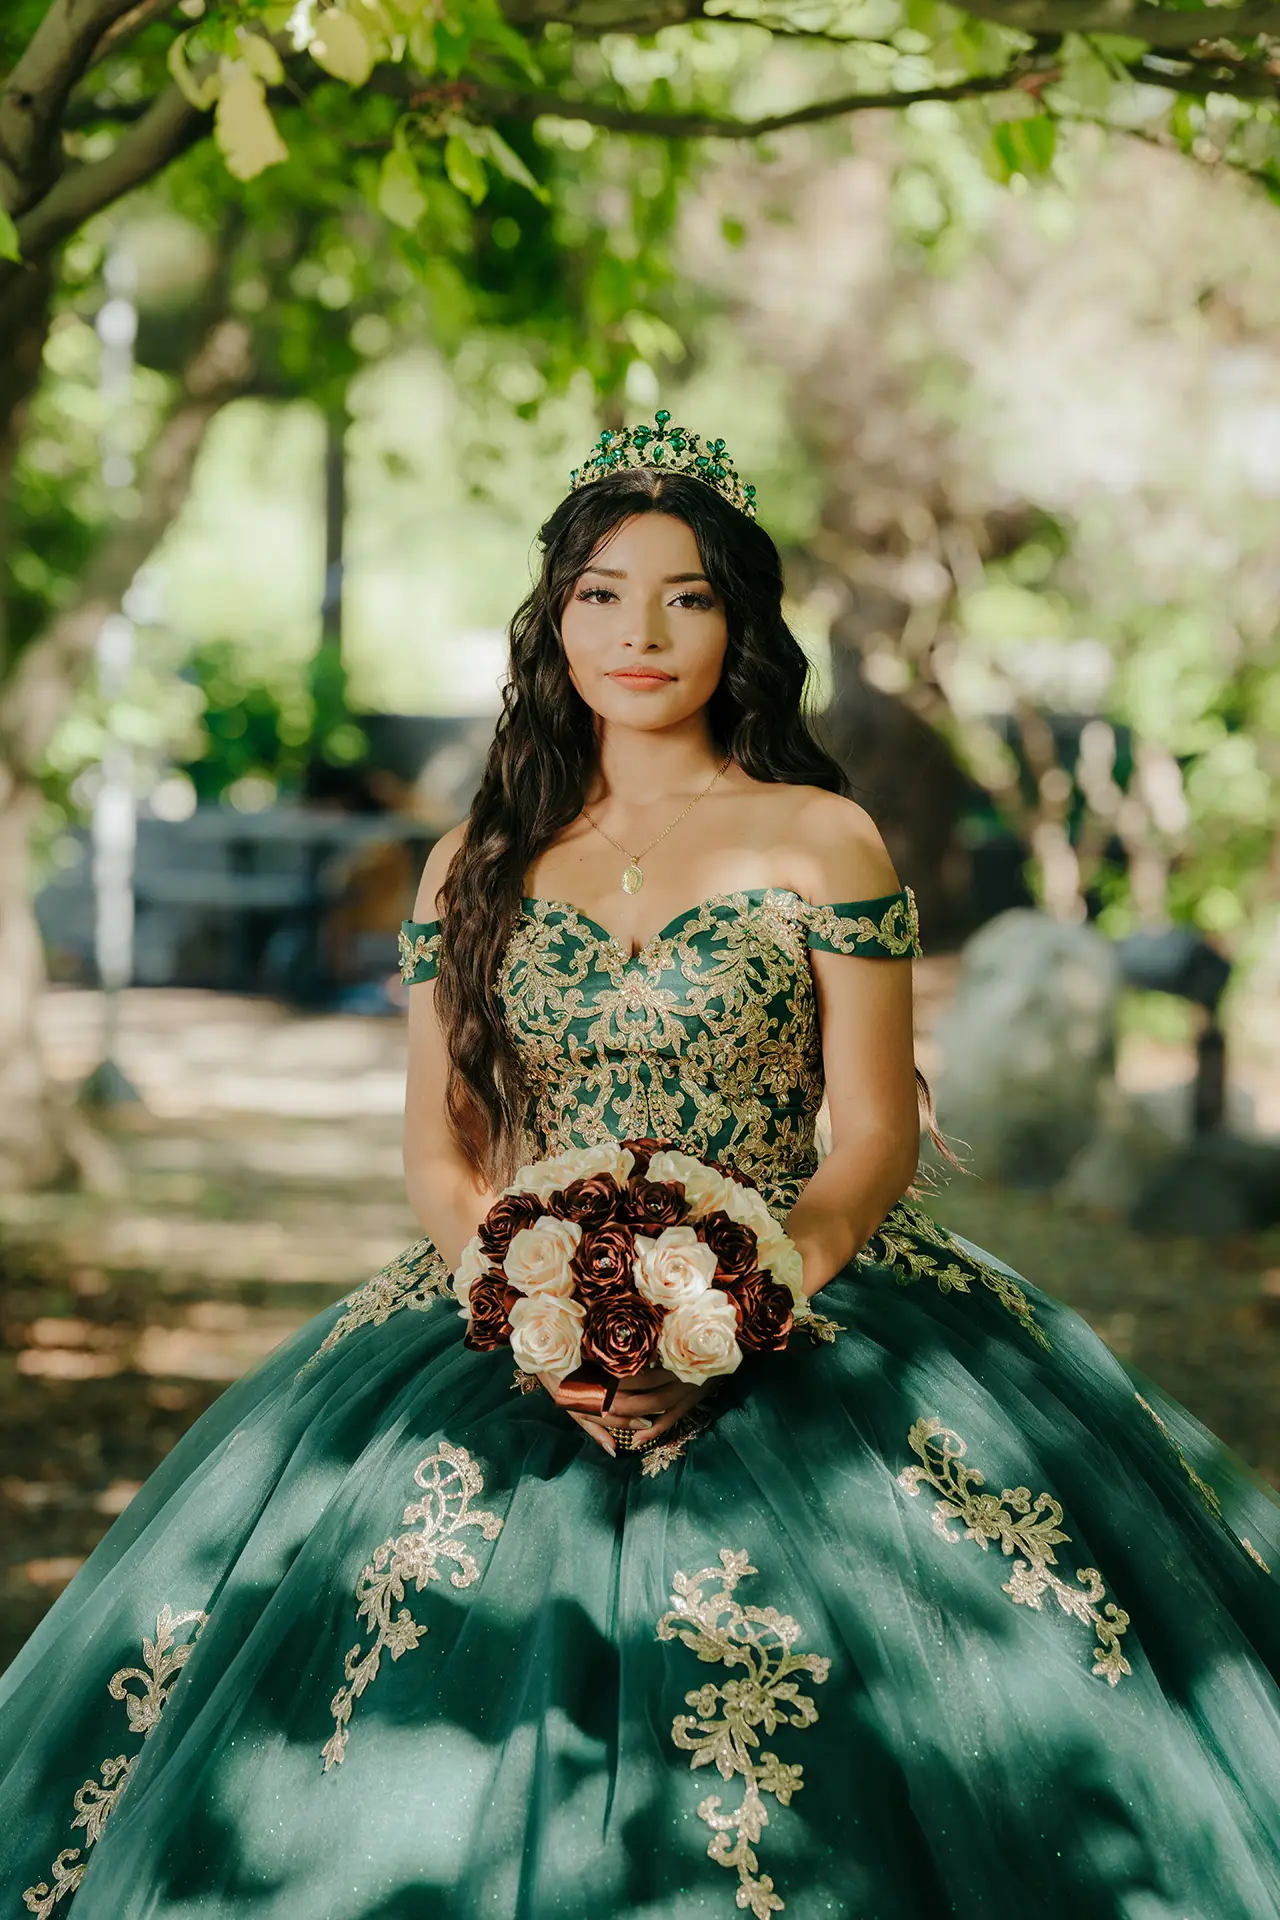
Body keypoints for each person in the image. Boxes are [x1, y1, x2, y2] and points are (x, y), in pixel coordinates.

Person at [3, 413, 1278, 1920]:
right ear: (555, 620)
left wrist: (741, 1301)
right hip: (505, 1315)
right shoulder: (476, 855)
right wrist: (533, 1316)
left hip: (808, 1297)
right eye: (602, 594)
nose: (642, 634)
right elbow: (440, 1143)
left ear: (740, 627)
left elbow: (873, 1135)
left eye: (686, 597)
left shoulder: (822, 838)